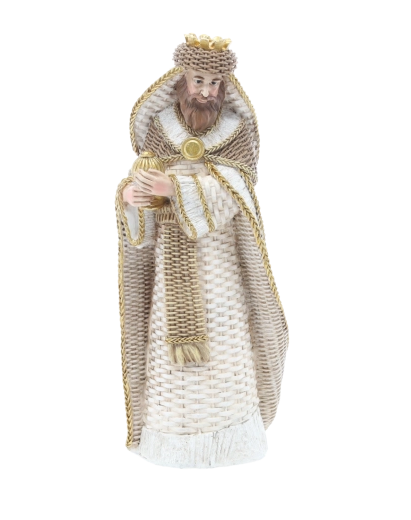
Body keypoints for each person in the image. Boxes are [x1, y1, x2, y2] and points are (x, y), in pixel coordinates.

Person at [115, 32, 290, 469]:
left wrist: (175, 187)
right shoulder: (161, 130)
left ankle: (230, 432)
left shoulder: (236, 133)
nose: (206, 92)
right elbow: (143, 187)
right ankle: (173, 435)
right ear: (182, 80)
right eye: (198, 81)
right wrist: (134, 199)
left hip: (221, 264)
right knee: (168, 360)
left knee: (226, 339)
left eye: (214, 83)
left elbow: (238, 194)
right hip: (170, 270)